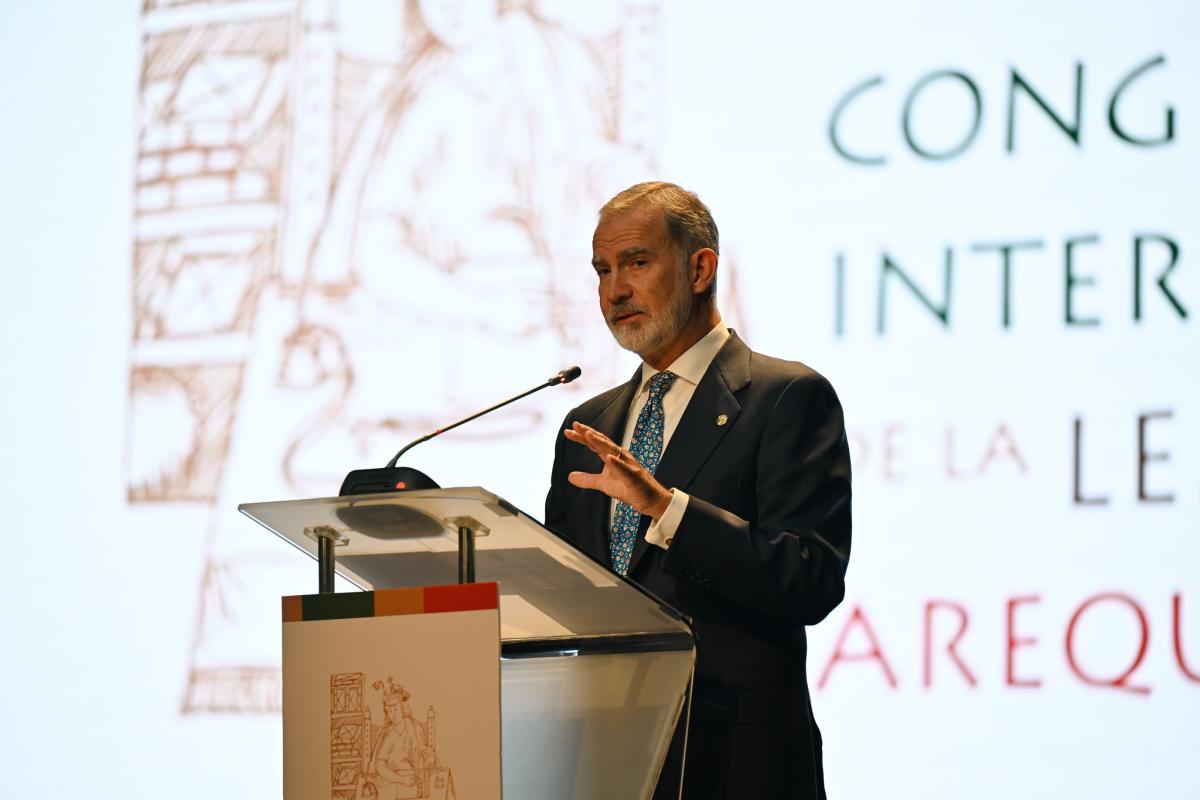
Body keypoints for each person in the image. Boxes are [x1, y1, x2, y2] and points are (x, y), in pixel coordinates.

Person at [544, 182, 851, 799]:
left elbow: (810, 577)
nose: (614, 290)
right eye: (602, 270)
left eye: (636, 262)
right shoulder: (589, 427)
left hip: (735, 760)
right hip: (605, 760)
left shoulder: (784, 397)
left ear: (701, 267)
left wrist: (667, 510)